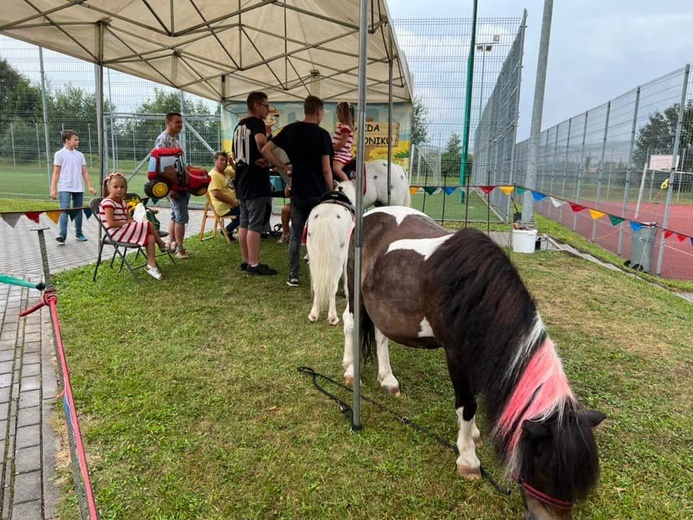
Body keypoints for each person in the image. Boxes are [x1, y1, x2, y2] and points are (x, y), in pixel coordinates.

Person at [263, 95, 333, 287]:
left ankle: (293, 275)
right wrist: (332, 191)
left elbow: (266, 150)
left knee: (295, 234)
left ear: (305, 109)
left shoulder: (290, 130)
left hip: (297, 192)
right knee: (318, 234)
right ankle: (319, 275)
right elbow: (326, 169)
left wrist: (283, 167)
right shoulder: (323, 135)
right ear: (319, 111)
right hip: (318, 193)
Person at [232, 92, 277, 276]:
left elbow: (236, 155)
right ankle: (254, 263)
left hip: (242, 179)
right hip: (255, 180)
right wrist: (270, 159)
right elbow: (260, 141)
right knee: (255, 224)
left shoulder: (238, 126)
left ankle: (245, 260)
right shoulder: (257, 123)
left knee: (244, 222)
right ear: (257, 105)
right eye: (266, 105)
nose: (268, 109)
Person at [99, 172, 170, 281]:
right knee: (148, 224)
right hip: (116, 232)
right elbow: (111, 223)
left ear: (126, 189)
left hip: (124, 229)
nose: (119, 189)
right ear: (109, 188)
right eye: (115, 187)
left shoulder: (122, 202)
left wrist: (132, 222)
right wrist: (130, 223)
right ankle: (161, 244)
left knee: (151, 237)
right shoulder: (108, 203)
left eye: (122, 187)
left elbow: (129, 219)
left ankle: (152, 266)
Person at [154, 111, 191, 260]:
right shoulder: (163, 140)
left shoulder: (173, 140)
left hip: (181, 184)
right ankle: (180, 249)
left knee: (175, 215)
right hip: (174, 186)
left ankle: (173, 244)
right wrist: (171, 189)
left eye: (181, 122)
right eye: (177, 122)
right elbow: (162, 167)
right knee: (181, 217)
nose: (180, 125)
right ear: (168, 122)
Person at [50, 129, 97, 243]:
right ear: (67, 141)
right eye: (75, 139)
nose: (78, 141)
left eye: (78, 139)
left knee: (78, 210)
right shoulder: (59, 154)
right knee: (64, 209)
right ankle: (62, 234)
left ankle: (79, 233)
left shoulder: (80, 155)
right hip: (64, 187)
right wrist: (53, 188)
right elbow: (56, 172)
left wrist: (90, 186)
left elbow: (85, 172)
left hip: (78, 187)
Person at [208, 151, 240, 239]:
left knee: (248, 208)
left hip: (232, 204)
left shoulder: (226, 171)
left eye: (226, 160)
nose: (224, 162)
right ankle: (227, 230)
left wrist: (232, 164)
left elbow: (240, 174)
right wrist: (233, 202)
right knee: (247, 212)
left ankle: (232, 231)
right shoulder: (213, 175)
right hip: (224, 207)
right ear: (215, 161)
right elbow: (216, 194)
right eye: (221, 160)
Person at [331, 101, 355, 183]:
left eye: (338, 113)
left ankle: (347, 183)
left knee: (335, 168)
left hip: (341, 154)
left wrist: (331, 148)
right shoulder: (342, 126)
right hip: (338, 153)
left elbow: (342, 143)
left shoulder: (345, 127)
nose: (337, 115)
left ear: (343, 114)